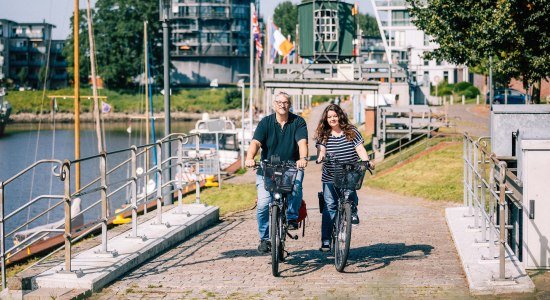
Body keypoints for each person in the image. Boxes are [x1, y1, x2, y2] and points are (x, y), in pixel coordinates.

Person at [245, 92, 308, 254]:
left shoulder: (298, 122)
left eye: (285, 102)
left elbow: (302, 142)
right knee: (263, 203)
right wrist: (249, 157)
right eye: (279, 102)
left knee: (297, 185)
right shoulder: (266, 122)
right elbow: (256, 142)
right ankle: (265, 239)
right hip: (267, 167)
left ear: (289, 104)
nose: (282, 105)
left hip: (291, 167)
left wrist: (303, 158)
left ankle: (292, 217)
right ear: (274, 104)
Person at [314, 104, 371, 252]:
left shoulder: (351, 132)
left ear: (340, 116)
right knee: (330, 206)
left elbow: (359, 148)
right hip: (330, 176)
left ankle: (352, 209)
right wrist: (321, 157)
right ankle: (326, 240)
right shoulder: (324, 134)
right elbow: (321, 149)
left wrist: (366, 161)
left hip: (348, 172)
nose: (332, 119)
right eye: (329, 117)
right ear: (326, 119)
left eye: (335, 116)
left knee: (350, 191)